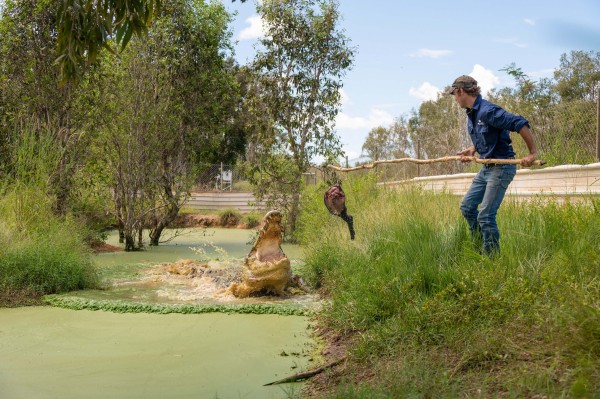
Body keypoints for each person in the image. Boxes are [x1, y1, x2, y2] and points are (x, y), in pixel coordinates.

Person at [447, 75, 537, 255]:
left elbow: (519, 123)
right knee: (467, 207)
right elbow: (487, 136)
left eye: (455, 95)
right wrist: (473, 149)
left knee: (486, 215)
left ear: (460, 91)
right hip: (487, 167)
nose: (455, 99)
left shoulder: (487, 111)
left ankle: (492, 259)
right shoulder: (471, 114)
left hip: (502, 168)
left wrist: (533, 153)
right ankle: (480, 246)